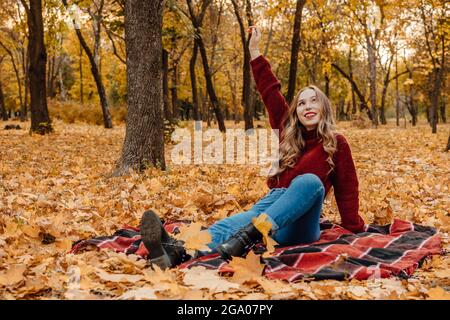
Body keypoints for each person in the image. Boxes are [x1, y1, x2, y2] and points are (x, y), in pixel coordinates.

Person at [140, 26, 366, 269]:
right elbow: (270, 93)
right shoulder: (288, 134)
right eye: (301, 103)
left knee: (309, 181)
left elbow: (347, 188)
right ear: (296, 112)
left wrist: (353, 226)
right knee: (228, 225)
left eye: (314, 101)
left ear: (324, 108)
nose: (307, 106)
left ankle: (249, 235)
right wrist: (255, 52)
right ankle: (177, 252)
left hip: (300, 223)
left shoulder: (336, 143)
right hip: (270, 206)